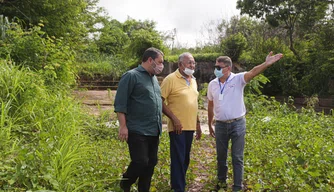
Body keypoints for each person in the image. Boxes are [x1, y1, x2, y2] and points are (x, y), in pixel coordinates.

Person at [207, 52, 283, 191]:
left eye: (219, 67)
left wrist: (266, 64)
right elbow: (210, 104)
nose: (216, 69)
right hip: (221, 126)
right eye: (215, 66)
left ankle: (237, 187)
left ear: (228, 68)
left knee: (237, 157)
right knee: (221, 157)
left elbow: (253, 72)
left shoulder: (238, 79)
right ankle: (221, 184)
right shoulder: (212, 84)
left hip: (237, 124)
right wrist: (209, 123)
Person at [114, 47, 164, 192]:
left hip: (153, 129)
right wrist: (123, 126)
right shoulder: (131, 76)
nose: (161, 65)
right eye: (160, 62)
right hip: (137, 128)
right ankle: (125, 181)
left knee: (151, 163)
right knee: (140, 161)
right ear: (150, 60)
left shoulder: (153, 78)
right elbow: (120, 103)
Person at [160, 52, 202, 192]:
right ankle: (178, 188)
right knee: (178, 158)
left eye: (193, 63)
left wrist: (198, 124)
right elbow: (160, 102)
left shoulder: (193, 80)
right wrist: (174, 119)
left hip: (190, 126)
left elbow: (193, 103)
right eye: (189, 62)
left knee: (185, 159)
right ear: (180, 65)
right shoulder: (170, 79)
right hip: (177, 127)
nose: (192, 65)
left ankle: (179, 185)